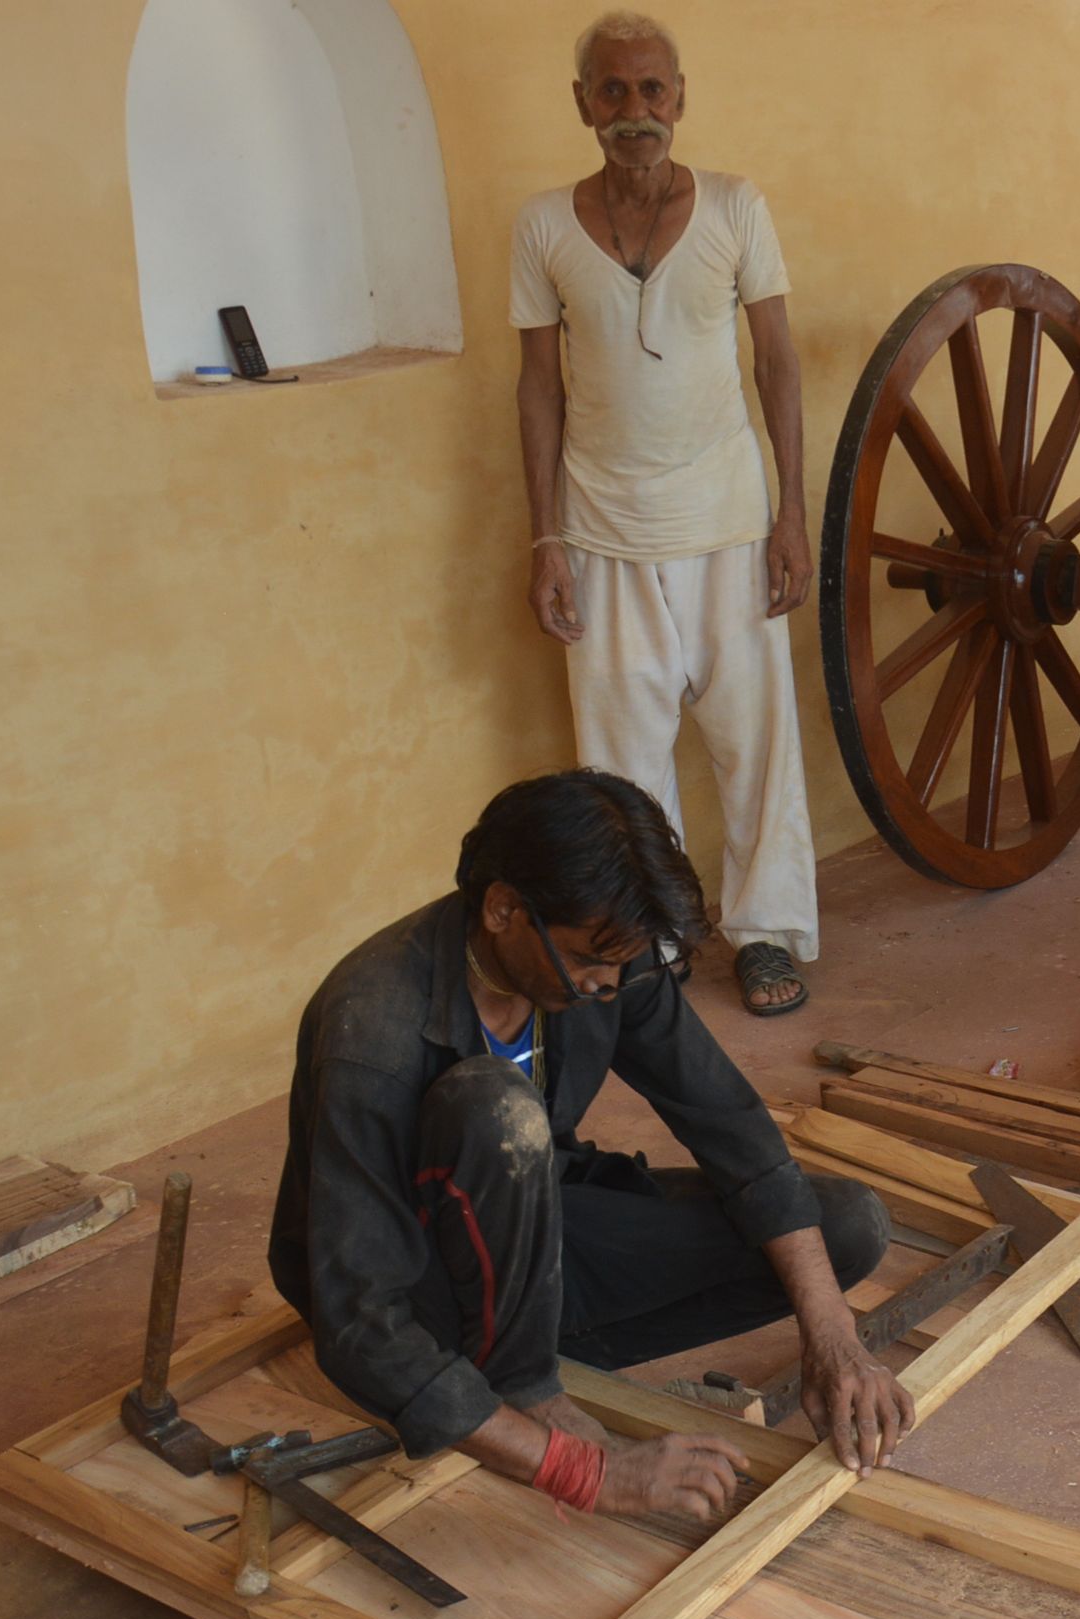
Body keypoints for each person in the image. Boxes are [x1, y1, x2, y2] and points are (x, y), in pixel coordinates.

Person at [268, 771, 912, 1521]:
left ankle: (517, 1382)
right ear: (504, 907)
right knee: (494, 1108)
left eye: (622, 962)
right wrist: (590, 1474)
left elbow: (729, 1125)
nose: (609, 981)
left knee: (842, 1231)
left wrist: (835, 1337)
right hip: (419, 1288)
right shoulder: (373, 1026)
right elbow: (358, 1319)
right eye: (588, 960)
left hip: (527, 1237)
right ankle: (514, 1391)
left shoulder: (607, 954)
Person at [513, 9, 818, 1017]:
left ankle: (768, 932)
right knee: (620, 765)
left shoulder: (736, 207)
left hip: (729, 521)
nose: (633, 112)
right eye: (612, 91)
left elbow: (777, 361)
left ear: (679, 100)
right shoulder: (545, 226)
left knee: (755, 740)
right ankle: (646, 942)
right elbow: (538, 387)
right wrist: (545, 537)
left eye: (651, 91)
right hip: (601, 533)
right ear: (582, 105)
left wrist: (791, 518)